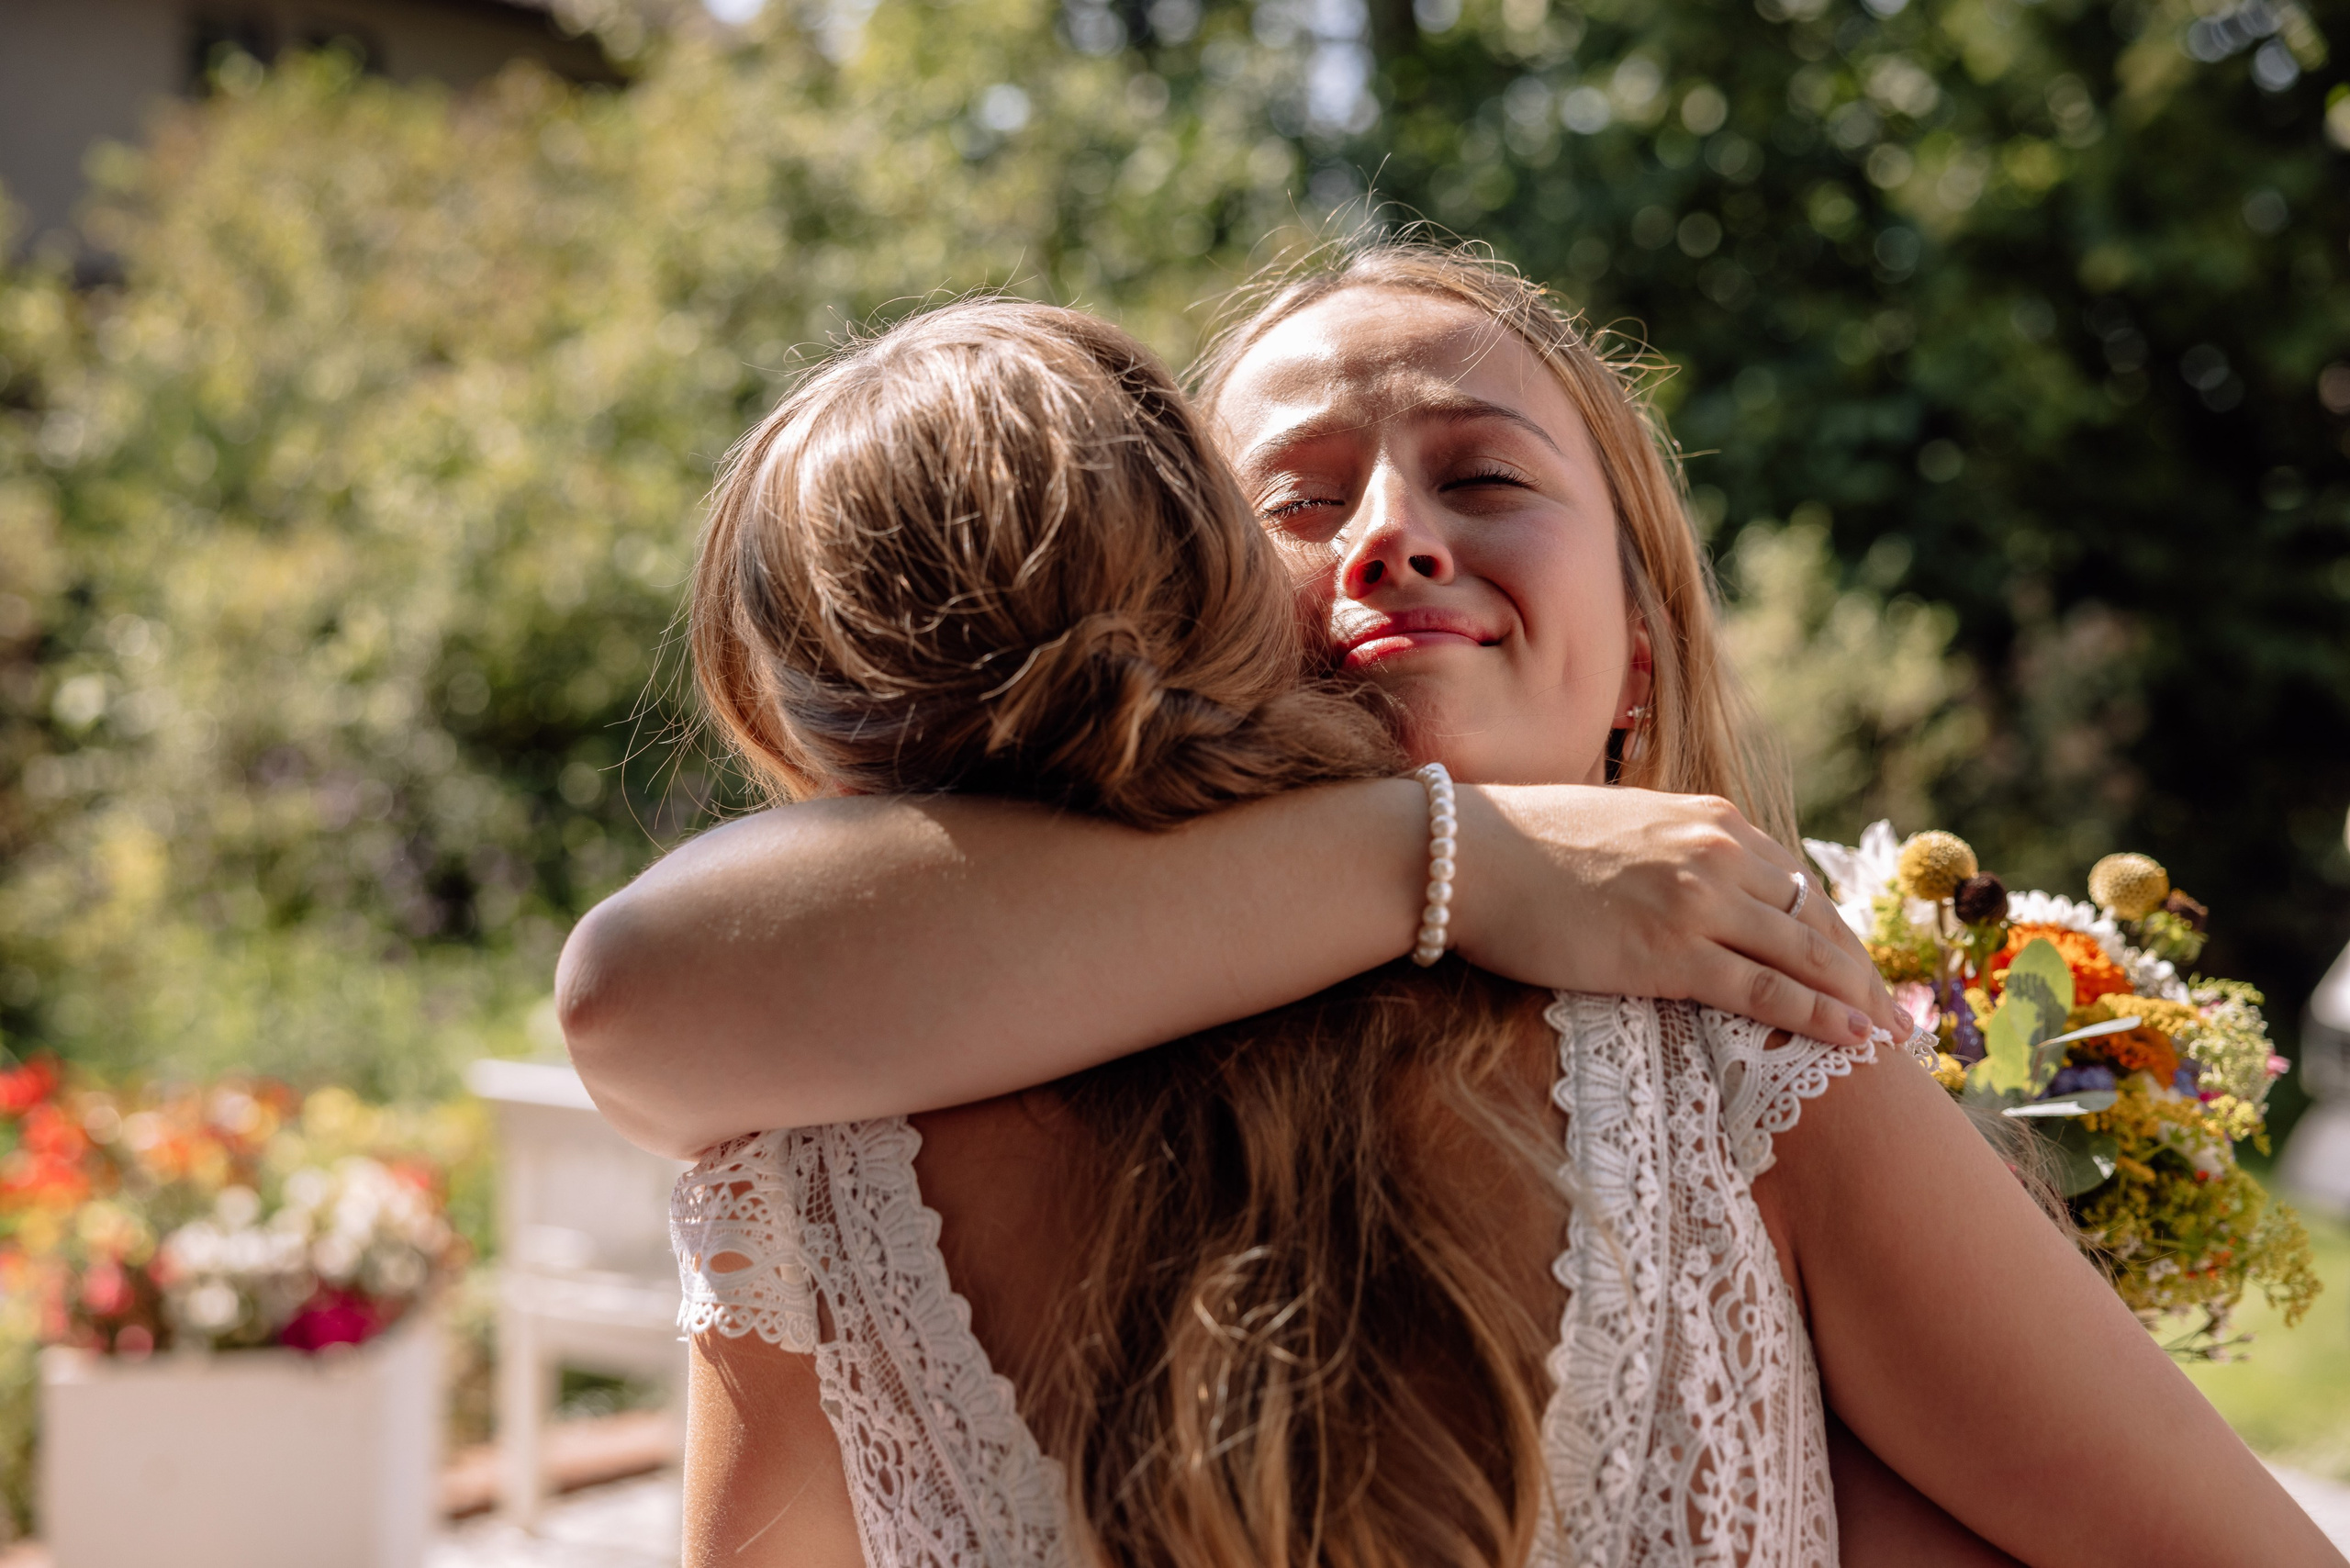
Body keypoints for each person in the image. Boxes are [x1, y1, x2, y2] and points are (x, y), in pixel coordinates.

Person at [567, 251, 2344, 1567]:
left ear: (1639, 651)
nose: (1393, 537)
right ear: (1170, 593)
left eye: (1484, 476)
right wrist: (1462, 860)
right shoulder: (839, 1126)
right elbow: (639, 987)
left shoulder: (1745, 1050)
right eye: (1298, 497)